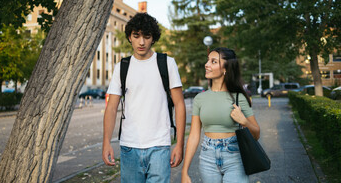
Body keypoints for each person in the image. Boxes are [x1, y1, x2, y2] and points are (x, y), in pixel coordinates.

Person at [102, 12, 186, 183]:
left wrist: (179, 144)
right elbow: (111, 108)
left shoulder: (167, 63)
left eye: (146, 37)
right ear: (129, 37)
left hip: (160, 146)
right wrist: (106, 143)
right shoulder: (122, 67)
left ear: (153, 38)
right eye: (136, 36)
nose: (141, 42)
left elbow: (179, 105)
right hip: (129, 146)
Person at [181, 47, 260, 183]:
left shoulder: (238, 97)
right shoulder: (200, 98)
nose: (207, 65)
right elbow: (194, 135)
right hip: (207, 156)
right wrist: (184, 171)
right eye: (208, 61)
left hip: (234, 156)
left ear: (226, 68)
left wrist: (244, 121)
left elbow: (256, 134)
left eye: (213, 62)